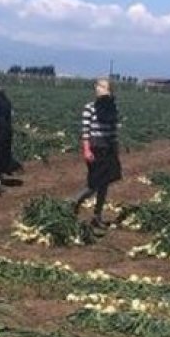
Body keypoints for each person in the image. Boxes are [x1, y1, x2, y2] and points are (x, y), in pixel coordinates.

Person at [70, 79, 121, 228]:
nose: (101, 89)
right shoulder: (90, 108)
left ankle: (97, 216)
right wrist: (86, 149)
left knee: (105, 184)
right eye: (100, 86)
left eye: (105, 87)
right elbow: (85, 132)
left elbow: (113, 131)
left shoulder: (112, 108)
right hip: (95, 149)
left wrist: (115, 149)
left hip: (109, 149)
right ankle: (73, 202)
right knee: (94, 184)